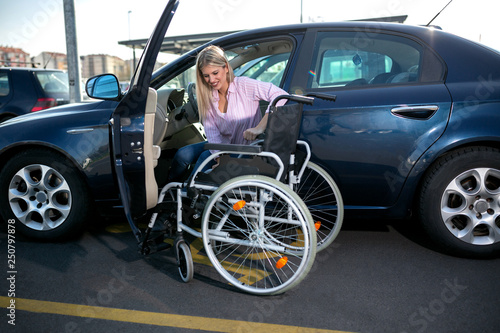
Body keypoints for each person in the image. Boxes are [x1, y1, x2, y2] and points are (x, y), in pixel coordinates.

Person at [167, 45, 288, 182]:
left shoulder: (244, 85)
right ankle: (171, 190)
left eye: (215, 73)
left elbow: (281, 95)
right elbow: (212, 133)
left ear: (225, 67)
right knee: (182, 154)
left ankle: (187, 192)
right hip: (221, 146)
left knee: (203, 159)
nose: (211, 80)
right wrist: (219, 159)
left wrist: (260, 126)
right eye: (206, 76)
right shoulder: (207, 96)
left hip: (245, 150)